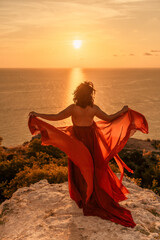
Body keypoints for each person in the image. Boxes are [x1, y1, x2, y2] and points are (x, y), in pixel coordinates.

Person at [28, 81, 148, 228]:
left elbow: (56, 117)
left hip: (77, 140)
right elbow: (109, 119)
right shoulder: (93, 109)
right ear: (90, 95)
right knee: (94, 167)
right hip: (91, 140)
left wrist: (38, 115)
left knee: (80, 167)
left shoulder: (73, 108)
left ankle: (83, 195)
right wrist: (122, 111)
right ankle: (94, 194)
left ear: (77, 94)